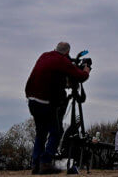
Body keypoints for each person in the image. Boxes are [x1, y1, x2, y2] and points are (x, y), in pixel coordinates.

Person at [25, 42, 90, 175]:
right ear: (66, 53)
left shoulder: (44, 56)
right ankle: (46, 162)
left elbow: (53, 75)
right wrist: (86, 70)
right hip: (44, 102)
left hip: (32, 100)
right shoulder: (62, 62)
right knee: (56, 131)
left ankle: (36, 164)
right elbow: (81, 77)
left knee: (41, 132)